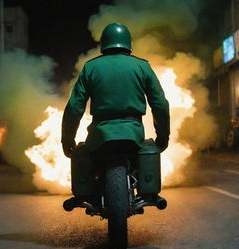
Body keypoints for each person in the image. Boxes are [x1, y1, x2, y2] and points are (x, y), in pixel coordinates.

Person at [61, 23, 170, 203]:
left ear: (104, 43)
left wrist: (67, 139)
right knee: (145, 155)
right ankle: (148, 193)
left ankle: (89, 194)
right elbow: (159, 104)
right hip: (133, 132)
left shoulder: (91, 67)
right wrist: (163, 136)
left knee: (85, 157)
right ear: (128, 43)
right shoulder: (142, 66)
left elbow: (74, 107)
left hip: (100, 134)